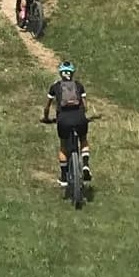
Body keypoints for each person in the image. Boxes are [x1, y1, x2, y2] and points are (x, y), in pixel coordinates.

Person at [42, 60, 91, 189]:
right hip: (79, 118)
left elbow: (47, 107)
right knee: (83, 139)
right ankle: (85, 164)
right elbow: (85, 106)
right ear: (72, 73)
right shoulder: (79, 85)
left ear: (61, 73)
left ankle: (64, 177)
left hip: (63, 119)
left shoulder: (55, 86)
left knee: (63, 145)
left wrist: (46, 118)